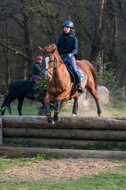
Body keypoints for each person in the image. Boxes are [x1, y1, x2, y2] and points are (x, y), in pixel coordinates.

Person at [57, 20, 83, 93]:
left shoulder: (73, 37)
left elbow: (76, 49)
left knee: (74, 70)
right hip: (61, 56)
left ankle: (79, 85)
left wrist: (71, 54)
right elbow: (57, 46)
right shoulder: (60, 37)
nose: (65, 29)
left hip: (70, 57)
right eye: (65, 27)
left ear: (70, 28)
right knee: (53, 68)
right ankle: (49, 85)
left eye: (67, 28)